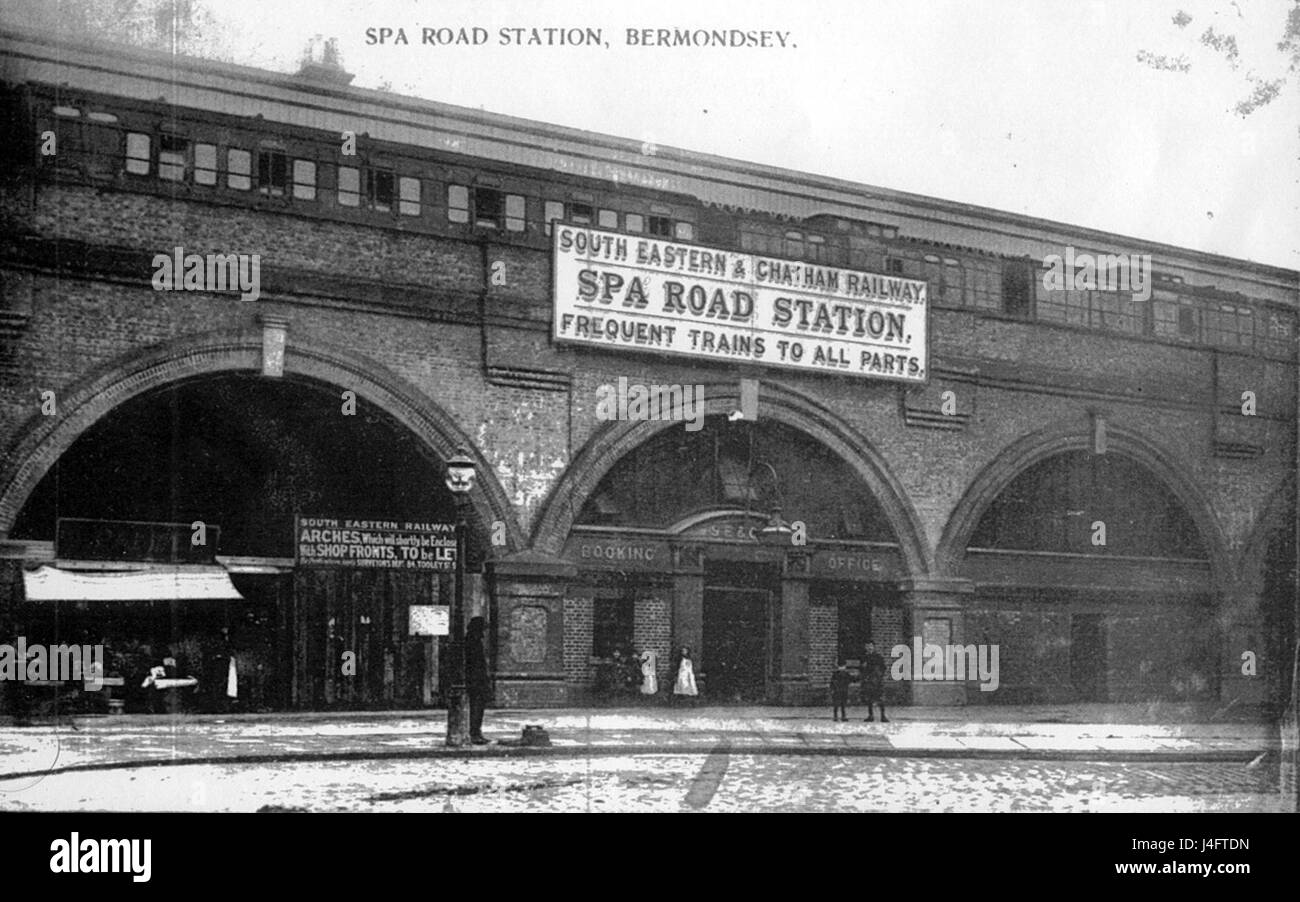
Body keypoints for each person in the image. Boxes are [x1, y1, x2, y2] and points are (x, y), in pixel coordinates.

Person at [465, 616, 491, 744]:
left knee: (478, 707)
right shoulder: (473, 642)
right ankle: (474, 732)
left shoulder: (473, 640)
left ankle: (476, 732)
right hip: (476, 681)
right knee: (476, 707)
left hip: (477, 680)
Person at [860, 641, 888, 722]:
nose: (869, 648)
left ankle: (883, 715)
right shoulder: (864, 657)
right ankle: (870, 715)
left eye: (871, 646)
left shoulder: (878, 657)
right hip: (868, 680)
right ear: (865, 647)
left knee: (880, 698)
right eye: (867, 646)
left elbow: (883, 667)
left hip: (877, 680)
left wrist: (879, 676)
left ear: (874, 647)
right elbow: (861, 669)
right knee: (869, 698)